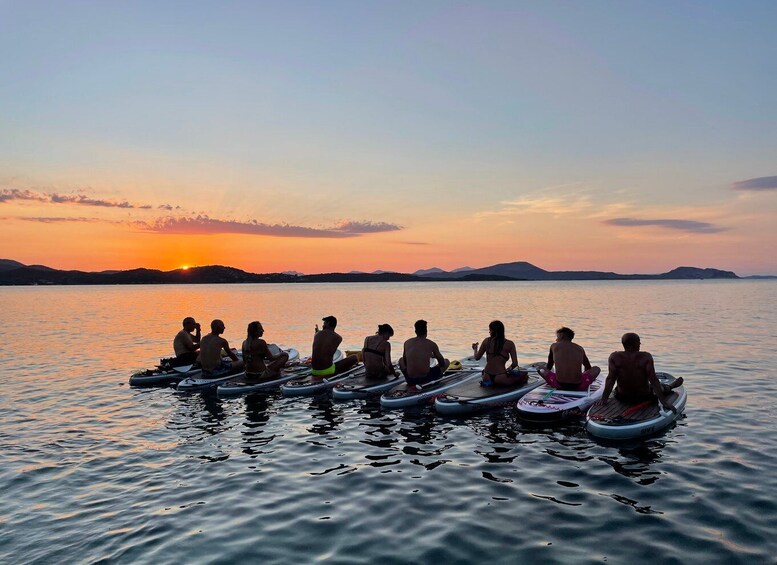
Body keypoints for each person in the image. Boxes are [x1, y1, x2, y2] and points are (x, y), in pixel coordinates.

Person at [601, 332, 682, 413]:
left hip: (622, 396)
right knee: (660, 387)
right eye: (638, 341)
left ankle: (669, 386)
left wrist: (604, 399)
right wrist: (664, 402)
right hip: (643, 396)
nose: (640, 343)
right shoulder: (645, 357)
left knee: (617, 388)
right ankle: (671, 386)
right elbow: (653, 380)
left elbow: (610, 380)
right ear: (633, 344)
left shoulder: (614, 357)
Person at [538, 326, 601, 391]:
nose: (556, 340)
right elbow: (588, 367)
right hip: (579, 385)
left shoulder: (554, 346)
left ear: (562, 336)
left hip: (559, 384)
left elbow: (549, 365)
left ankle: (551, 380)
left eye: (557, 337)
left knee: (540, 368)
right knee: (596, 369)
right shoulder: (580, 348)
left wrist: (549, 374)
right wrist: (583, 376)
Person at [471, 320, 526, 387]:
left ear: (492, 331)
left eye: (490, 330)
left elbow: (477, 358)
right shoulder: (509, 344)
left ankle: (489, 382)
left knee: (485, 372)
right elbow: (515, 364)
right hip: (501, 376)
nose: (489, 332)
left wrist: (475, 349)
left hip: (486, 376)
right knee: (524, 374)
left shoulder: (486, 341)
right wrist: (508, 370)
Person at [399, 320, 450, 387]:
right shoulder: (431, 344)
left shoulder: (407, 342)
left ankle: (411, 377)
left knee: (401, 360)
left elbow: (405, 361)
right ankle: (437, 376)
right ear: (426, 331)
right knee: (446, 361)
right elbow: (442, 362)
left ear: (415, 331)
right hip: (425, 379)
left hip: (410, 379)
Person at [311, 316, 359, 380]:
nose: (323, 325)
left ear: (328, 323)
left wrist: (318, 332)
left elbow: (323, 345)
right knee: (354, 357)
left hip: (314, 371)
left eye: (324, 323)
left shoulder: (317, 334)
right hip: (327, 371)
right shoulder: (338, 338)